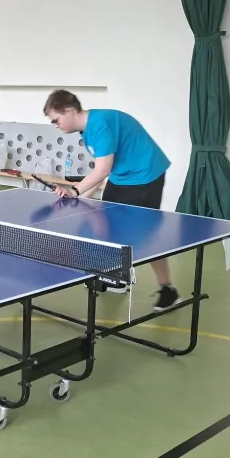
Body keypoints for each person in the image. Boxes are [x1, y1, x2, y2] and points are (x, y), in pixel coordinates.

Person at [43, 90, 178, 311]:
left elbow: (102, 169)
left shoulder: (100, 124)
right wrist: (76, 202)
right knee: (103, 223)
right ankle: (117, 277)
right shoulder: (86, 131)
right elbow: (101, 173)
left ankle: (168, 289)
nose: (55, 125)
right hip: (121, 176)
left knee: (146, 234)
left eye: (56, 120)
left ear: (69, 110)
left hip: (145, 175)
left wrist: (74, 191)